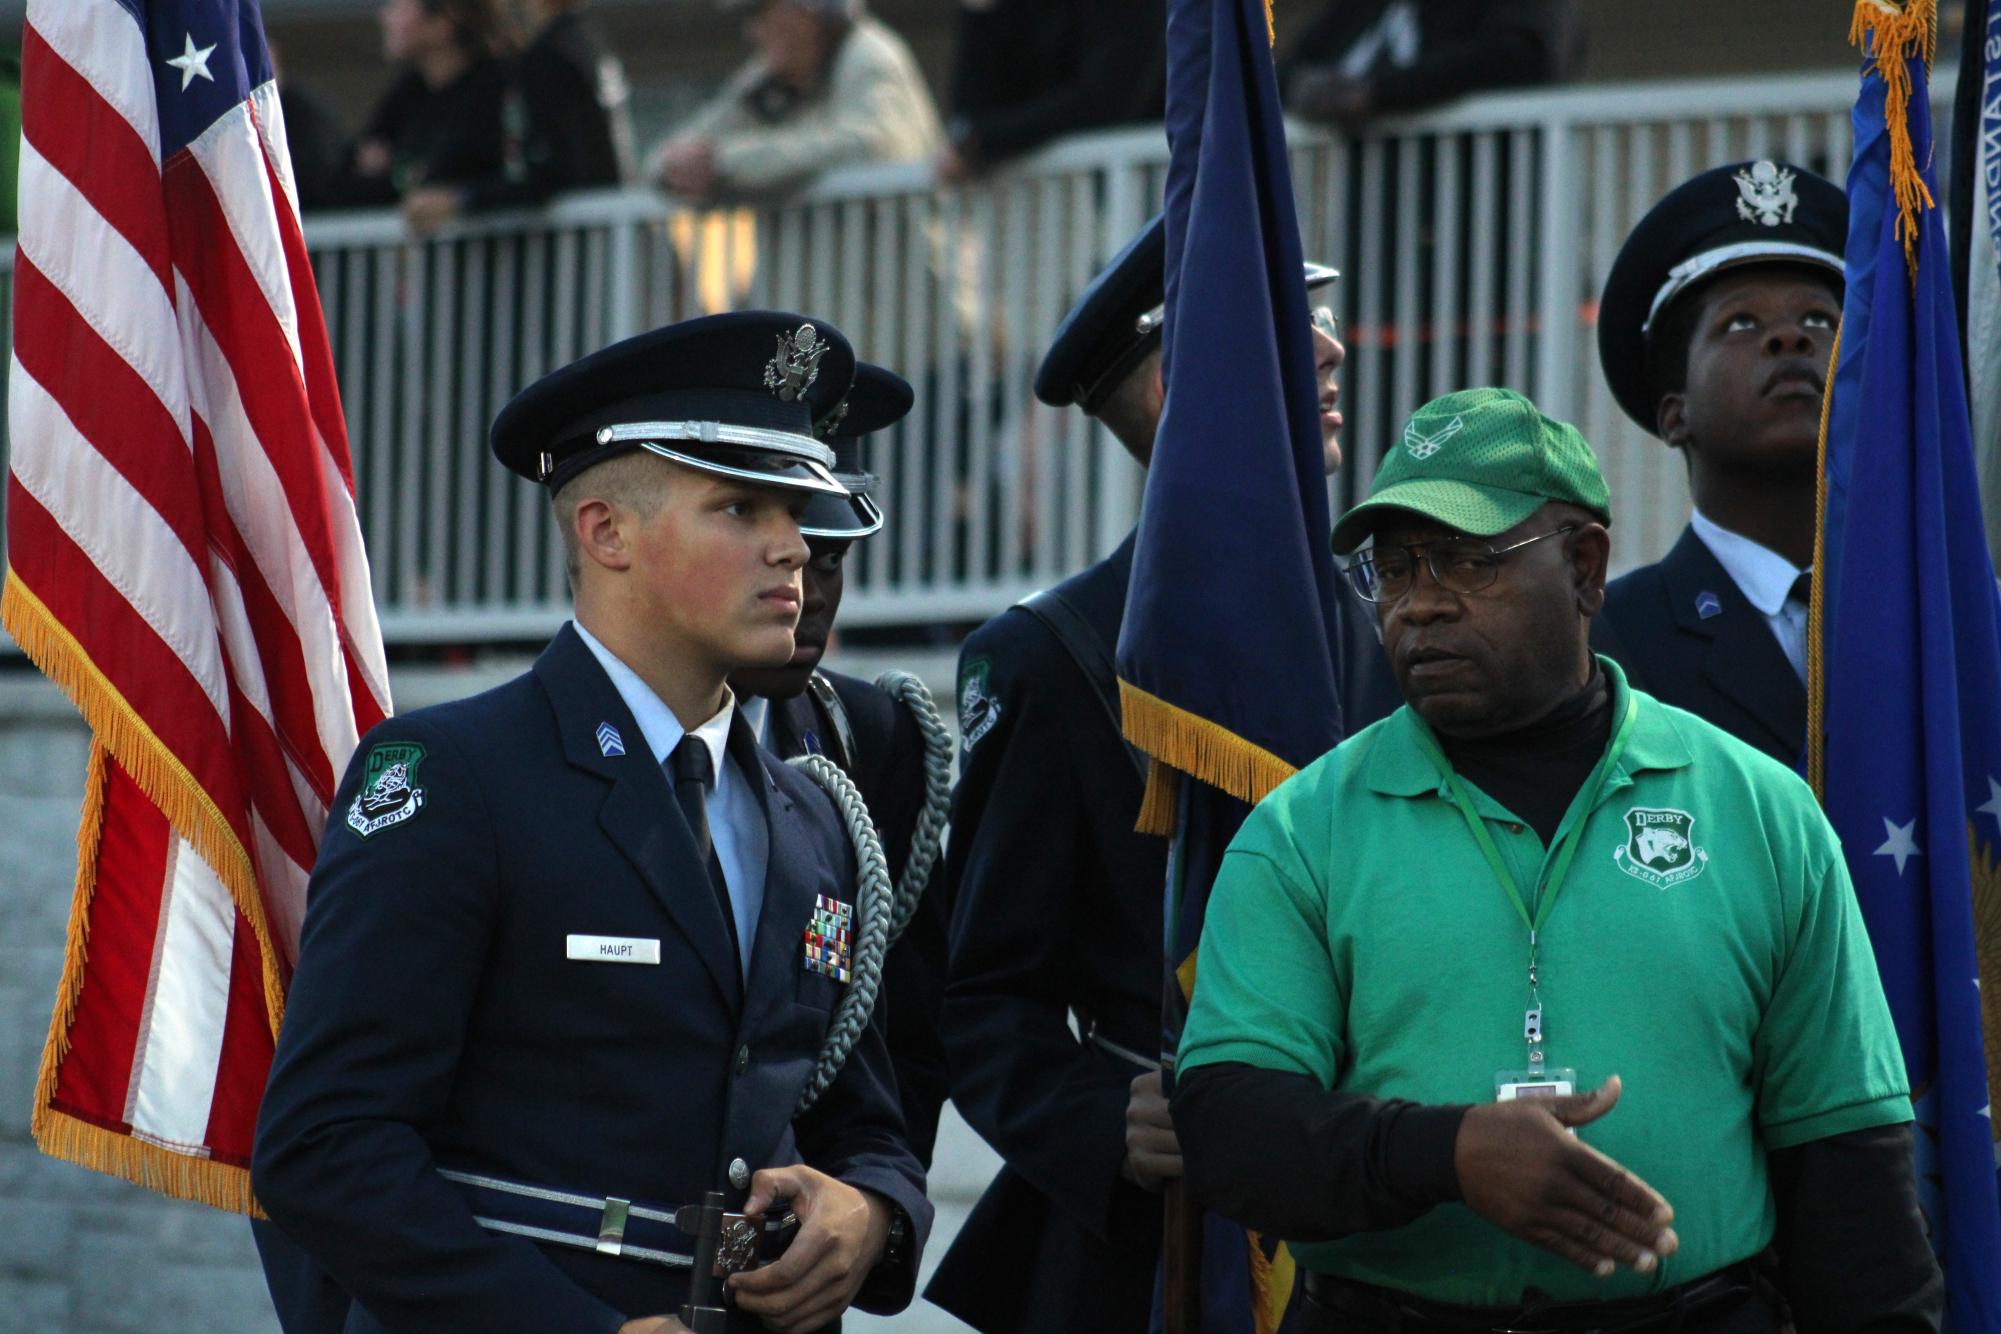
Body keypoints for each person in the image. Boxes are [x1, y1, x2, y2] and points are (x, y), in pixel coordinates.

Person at [1170, 386, 1941, 1332]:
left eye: (1466, 562)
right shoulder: (1299, 831)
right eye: (1395, 568)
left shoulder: (1758, 809)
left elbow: (1847, 1171)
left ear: (1584, 568)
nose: (1419, 606)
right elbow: (1229, 1126)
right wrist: (1447, 1154)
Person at [251, 311, 931, 1334]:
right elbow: (325, 1145)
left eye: (793, 507)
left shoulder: (812, 812)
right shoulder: (455, 776)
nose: (794, 544)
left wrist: (873, 1210)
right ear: (605, 530)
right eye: (739, 505)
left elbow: (860, 1113)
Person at [926, 214, 1394, 1334]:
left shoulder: (1400, 617)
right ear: (1169, 395)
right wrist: (1098, 1115)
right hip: (1168, 1244)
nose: (1330, 350)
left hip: (1390, 1201)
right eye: (1288, 326)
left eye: (1322, 318)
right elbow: (982, 988)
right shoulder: (1056, 654)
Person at [730, 363, 952, 1170]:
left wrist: (868, 1209)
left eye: (829, 559)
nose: (806, 587)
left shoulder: (871, 737)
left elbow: (908, 1030)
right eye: (782, 551)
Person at [1590, 161, 1846, 767]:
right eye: (1741, 323)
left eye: (1819, 319)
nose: (1791, 338)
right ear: (1674, 414)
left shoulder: (1945, 618)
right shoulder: (1608, 642)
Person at [651, 0, 940, 204]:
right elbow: (660, 163)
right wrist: (677, 168)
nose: (752, 32)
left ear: (804, 9)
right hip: (816, 284)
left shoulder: (868, 53)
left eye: (758, 12)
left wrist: (727, 164)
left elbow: (869, 148)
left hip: (901, 282)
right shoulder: (768, 77)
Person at [402, 0, 632, 233]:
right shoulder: (583, 38)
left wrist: (460, 200)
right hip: (607, 236)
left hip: (582, 243)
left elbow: (550, 172)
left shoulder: (550, 54)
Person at [935, 0, 1165, 184]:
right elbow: (971, 116)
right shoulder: (1036, 11)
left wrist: (984, 139)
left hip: (1166, 182)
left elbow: (1104, 99)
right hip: (1121, 191)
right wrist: (980, 14)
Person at [1282, 0, 1584, 133]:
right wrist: (1308, 90)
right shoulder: (1364, 7)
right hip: (1374, 220)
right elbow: (1281, 76)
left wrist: (1376, 94)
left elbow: (1522, 55)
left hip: (1483, 214)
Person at [329, 0, 512, 211]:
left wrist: (393, 172)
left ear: (443, 22)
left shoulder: (495, 88)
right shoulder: (410, 91)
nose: (384, 17)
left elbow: (454, 168)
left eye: (400, 7)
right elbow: (341, 181)